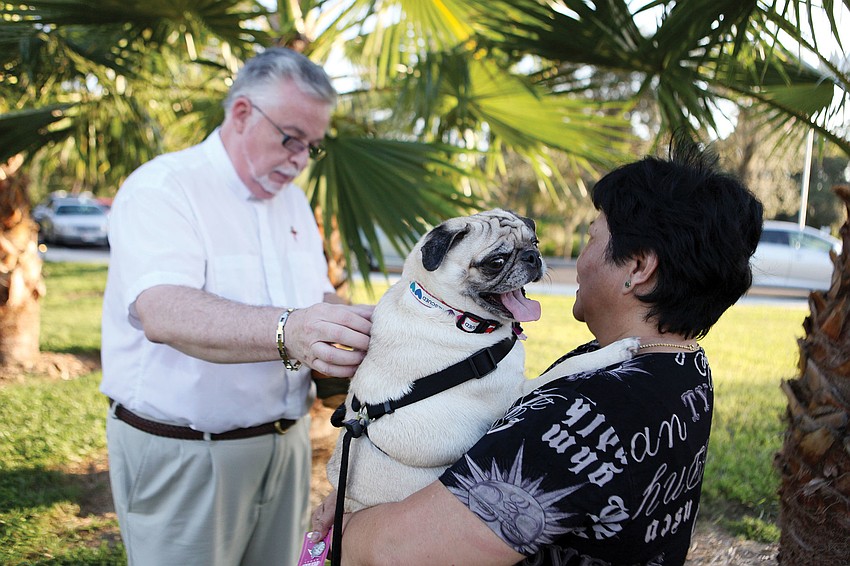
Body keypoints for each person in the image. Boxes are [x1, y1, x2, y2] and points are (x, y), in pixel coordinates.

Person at [311, 137, 764, 565]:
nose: (578, 260)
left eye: (590, 238)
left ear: (639, 268)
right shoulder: (678, 365)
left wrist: (350, 525)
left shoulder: (580, 419)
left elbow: (396, 553)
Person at [100, 47, 373, 566]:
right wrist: (290, 330)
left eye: (310, 147)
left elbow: (314, 296)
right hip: (187, 453)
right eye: (291, 138)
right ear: (243, 112)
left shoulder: (292, 201)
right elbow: (164, 311)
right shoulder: (164, 188)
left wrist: (366, 320)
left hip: (286, 448)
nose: (298, 159)